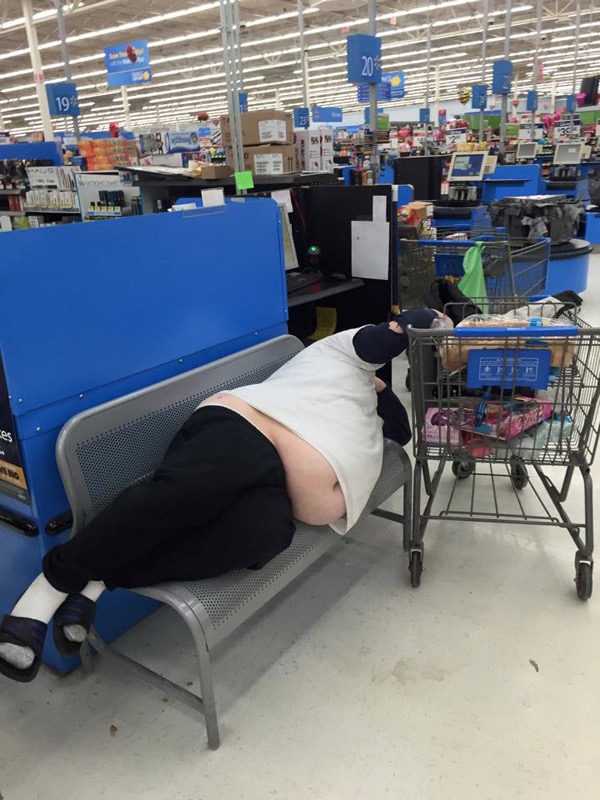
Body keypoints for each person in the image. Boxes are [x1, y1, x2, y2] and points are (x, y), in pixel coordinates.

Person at [0, 309, 439, 683]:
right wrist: (430, 321)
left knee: (263, 536)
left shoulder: (365, 391)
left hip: (279, 484)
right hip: (252, 426)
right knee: (191, 492)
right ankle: (44, 593)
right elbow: (382, 340)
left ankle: (99, 580)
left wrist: (380, 391)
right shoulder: (342, 348)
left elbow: (400, 431)